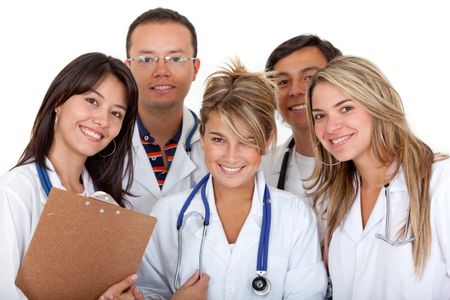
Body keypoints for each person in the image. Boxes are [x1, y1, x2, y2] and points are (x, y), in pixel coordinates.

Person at [136, 60, 327, 299]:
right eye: (219, 139)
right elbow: (147, 291)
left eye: (247, 141)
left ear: (266, 142)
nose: (231, 156)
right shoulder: (167, 214)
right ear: (202, 137)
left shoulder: (296, 216)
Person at [306, 55, 450, 299]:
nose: (330, 127)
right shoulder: (332, 201)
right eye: (320, 115)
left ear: (377, 105)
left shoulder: (440, 182)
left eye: (346, 108)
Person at [0, 52, 142, 299]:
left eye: (116, 113)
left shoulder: (109, 205)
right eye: (92, 101)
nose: (102, 120)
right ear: (59, 101)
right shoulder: (14, 193)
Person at [124, 7, 207, 214]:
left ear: (195, 68)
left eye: (176, 59)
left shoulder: (221, 147)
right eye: (146, 59)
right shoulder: (102, 143)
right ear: (128, 68)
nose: (161, 71)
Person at [262, 34, 341, 199]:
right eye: (283, 82)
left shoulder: (366, 164)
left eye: (309, 78)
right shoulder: (262, 168)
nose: (295, 91)